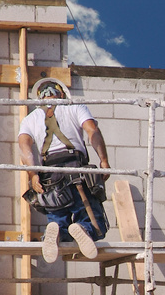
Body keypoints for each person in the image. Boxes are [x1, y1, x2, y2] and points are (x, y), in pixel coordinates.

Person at [19, 77, 112, 263]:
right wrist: (104, 161)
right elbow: (92, 131)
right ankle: (84, 228)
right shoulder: (75, 107)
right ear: (61, 93)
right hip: (76, 170)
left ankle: (55, 231)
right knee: (93, 220)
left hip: (49, 174)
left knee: (57, 216)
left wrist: (33, 173)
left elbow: (24, 146)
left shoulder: (30, 119)